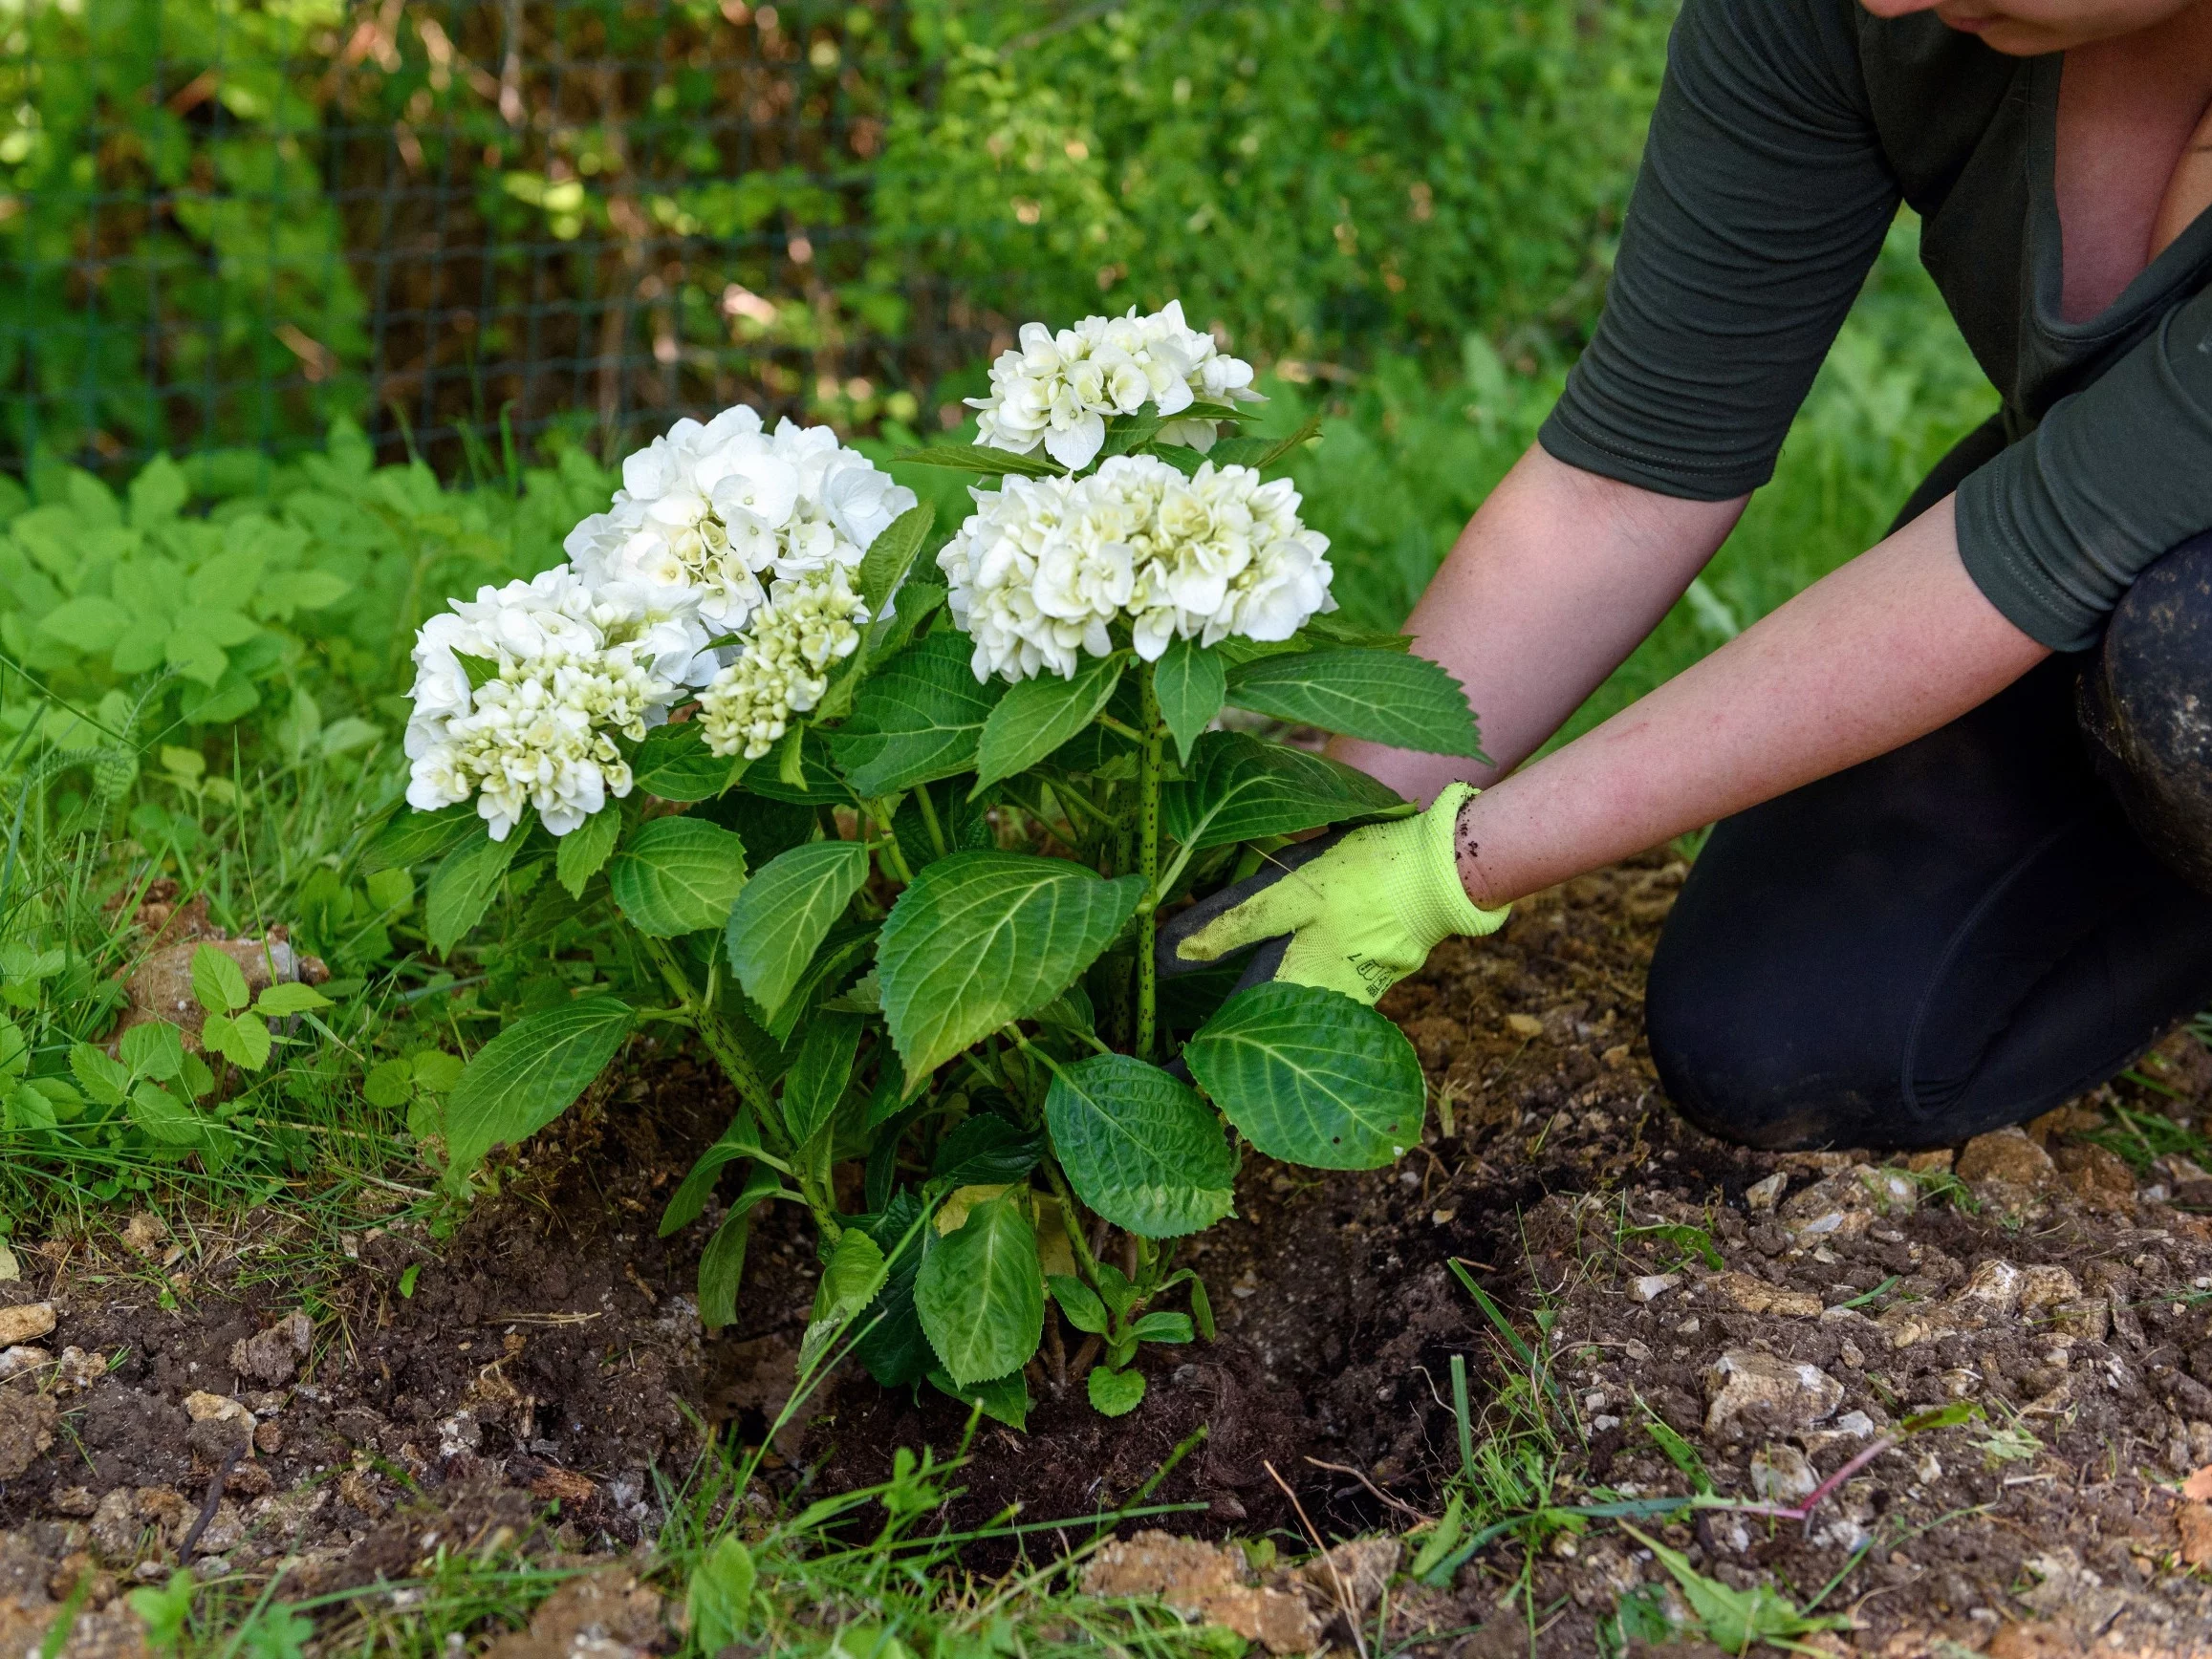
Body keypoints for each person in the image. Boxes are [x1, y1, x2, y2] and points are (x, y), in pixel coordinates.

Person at [1161, 0, 2212, 1152]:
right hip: (2116, 534)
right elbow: (1624, 479)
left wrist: (1441, 871)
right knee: (1780, 1025)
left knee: (2187, 659)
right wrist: (1325, 823)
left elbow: (2024, 555)